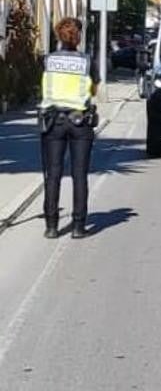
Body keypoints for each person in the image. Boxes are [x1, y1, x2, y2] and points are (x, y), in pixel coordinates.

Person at [40, 17, 97, 239]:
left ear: (58, 36)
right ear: (79, 37)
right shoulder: (87, 62)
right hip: (80, 122)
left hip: (54, 121)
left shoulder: (47, 60)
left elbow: (43, 86)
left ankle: (52, 226)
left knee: (52, 174)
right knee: (79, 175)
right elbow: (93, 90)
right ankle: (78, 227)